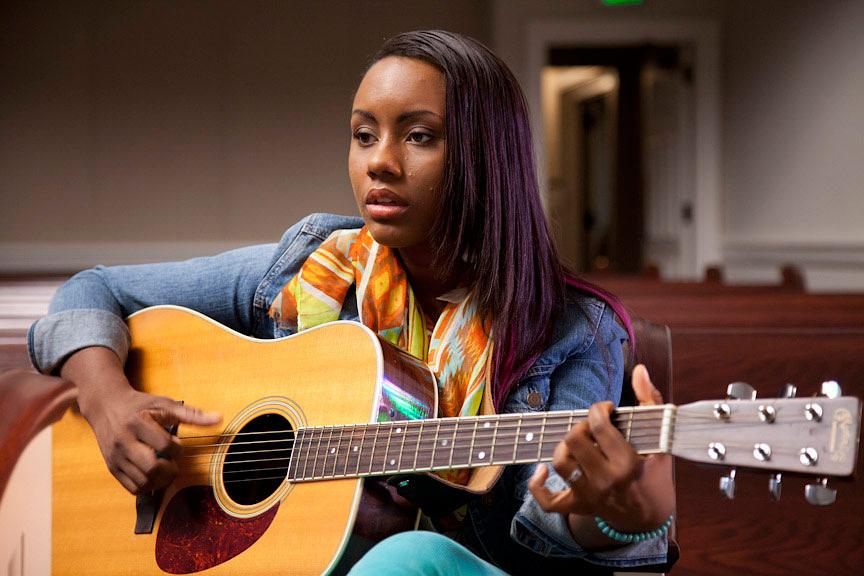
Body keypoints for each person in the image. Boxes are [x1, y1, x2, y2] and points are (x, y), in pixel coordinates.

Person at [29, 30, 674, 575]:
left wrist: (623, 514)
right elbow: (93, 290)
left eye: (418, 136)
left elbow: (549, 520)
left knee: (410, 555)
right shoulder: (313, 268)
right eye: (364, 134)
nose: (379, 163)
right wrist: (108, 401)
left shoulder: (571, 330)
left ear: (487, 157)